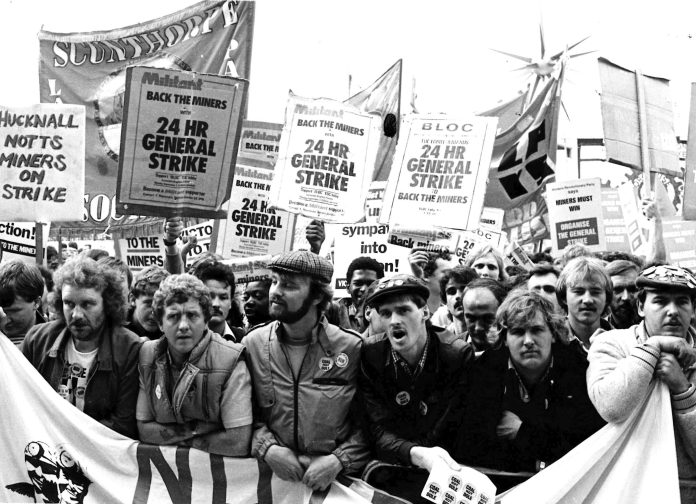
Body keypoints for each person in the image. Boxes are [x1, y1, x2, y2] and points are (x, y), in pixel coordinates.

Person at [243, 250, 368, 491]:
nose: (275, 292)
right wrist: (267, 448)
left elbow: (369, 423)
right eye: (275, 282)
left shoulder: (352, 347)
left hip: (334, 487)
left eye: (289, 285)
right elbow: (243, 413)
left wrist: (338, 460)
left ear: (317, 297)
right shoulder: (253, 344)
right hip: (271, 486)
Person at [455, 291, 604, 473]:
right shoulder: (483, 371)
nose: (528, 341)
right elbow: (473, 447)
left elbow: (583, 442)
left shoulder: (577, 369)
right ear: (505, 338)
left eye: (536, 330)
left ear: (553, 334)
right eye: (518, 332)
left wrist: (521, 431)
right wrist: (541, 450)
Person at [358, 274, 472, 503]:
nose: (393, 321)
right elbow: (376, 429)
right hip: (394, 469)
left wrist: (420, 454)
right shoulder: (371, 355)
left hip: (446, 471)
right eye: (386, 313)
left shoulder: (456, 355)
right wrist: (416, 454)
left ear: (425, 313)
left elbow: (450, 426)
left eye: (403, 310)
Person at [587, 264, 696, 502]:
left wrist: (682, 390)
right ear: (640, 307)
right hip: (624, 489)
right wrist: (653, 347)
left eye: (682, 302)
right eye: (660, 301)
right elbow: (612, 407)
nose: (673, 311)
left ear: (693, 308)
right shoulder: (610, 343)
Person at [22, 257, 141, 438]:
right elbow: (17, 398)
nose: (76, 315)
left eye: (87, 304)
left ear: (107, 304)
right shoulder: (37, 339)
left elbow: (123, 425)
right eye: (69, 303)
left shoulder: (129, 348)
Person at [136, 274, 252, 456]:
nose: (183, 325)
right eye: (173, 316)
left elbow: (237, 441)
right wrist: (201, 430)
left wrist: (172, 437)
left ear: (206, 320)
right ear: (160, 323)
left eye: (192, 315)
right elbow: (144, 429)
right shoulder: (147, 354)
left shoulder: (231, 359)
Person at [556, 256, 612, 354]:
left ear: (606, 298)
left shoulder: (621, 342)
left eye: (595, 292)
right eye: (578, 291)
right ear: (564, 297)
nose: (587, 300)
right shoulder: (552, 342)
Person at [327, 256, 384, 332]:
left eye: (370, 283)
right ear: (348, 287)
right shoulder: (333, 312)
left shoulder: (389, 312)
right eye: (358, 283)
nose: (364, 289)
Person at [194, 261, 244, 342]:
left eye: (223, 297)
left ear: (231, 302)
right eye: (210, 296)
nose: (216, 304)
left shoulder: (243, 341)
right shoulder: (184, 340)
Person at [0, 261, 46, 346]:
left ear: (36, 302)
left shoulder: (53, 340)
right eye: (2, 311)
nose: (5, 319)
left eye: (14, 311)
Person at [408, 248, 454, 327]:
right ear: (426, 276)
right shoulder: (412, 309)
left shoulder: (452, 310)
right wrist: (418, 277)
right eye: (447, 273)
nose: (452, 277)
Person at [462, 278, 508, 354]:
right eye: (471, 319)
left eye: (487, 319)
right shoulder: (451, 349)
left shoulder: (513, 355)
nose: (478, 328)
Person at [125, 265, 169, 340]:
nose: (155, 313)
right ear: (132, 299)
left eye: (161, 305)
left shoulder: (169, 331)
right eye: (149, 304)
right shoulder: (115, 330)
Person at [438, 266, 478, 338]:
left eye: (464, 289)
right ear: (445, 301)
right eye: (451, 291)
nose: (458, 296)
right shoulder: (439, 340)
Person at [605, 260, 641, 330]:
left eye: (632, 289)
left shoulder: (654, 326)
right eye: (617, 289)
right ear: (606, 293)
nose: (626, 297)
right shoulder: (600, 330)